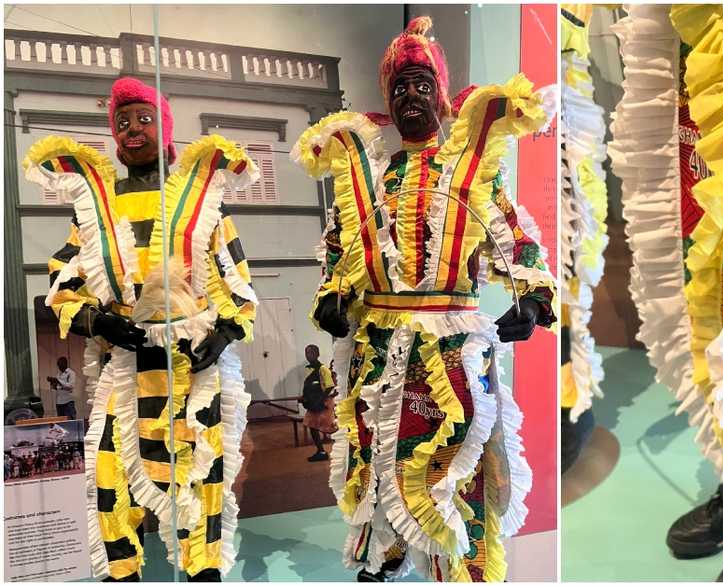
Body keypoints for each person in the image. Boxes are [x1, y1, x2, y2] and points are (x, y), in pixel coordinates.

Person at [292, 17, 556, 583]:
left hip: (452, 350)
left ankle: (458, 568)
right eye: (399, 88)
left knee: (449, 469)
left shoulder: (474, 172)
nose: (410, 95)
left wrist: (531, 300)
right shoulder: (375, 179)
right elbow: (339, 252)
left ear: (440, 93)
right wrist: (332, 297)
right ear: (388, 101)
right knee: (375, 459)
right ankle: (381, 560)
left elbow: (517, 240)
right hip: (378, 347)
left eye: (420, 84)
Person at [27, 77, 259, 581]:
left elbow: (235, 280)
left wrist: (223, 332)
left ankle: (203, 571)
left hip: (192, 369)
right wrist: (94, 317)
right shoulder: (97, 207)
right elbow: (65, 278)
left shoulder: (203, 204)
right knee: (109, 478)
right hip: (127, 369)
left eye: (144, 119)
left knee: (204, 476)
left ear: (167, 130)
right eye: (123, 122)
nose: (133, 130)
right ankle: (123, 573)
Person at [300, 344, 337, 462]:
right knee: (312, 425)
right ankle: (321, 451)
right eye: (307, 353)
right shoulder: (308, 369)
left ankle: (342, 449)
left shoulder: (323, 369)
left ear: (317, 354)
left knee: (331, 428)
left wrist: (320, 400)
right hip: (313, 404)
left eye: (311, 353)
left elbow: (329, 386)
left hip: (323, 404)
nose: (308, 355)